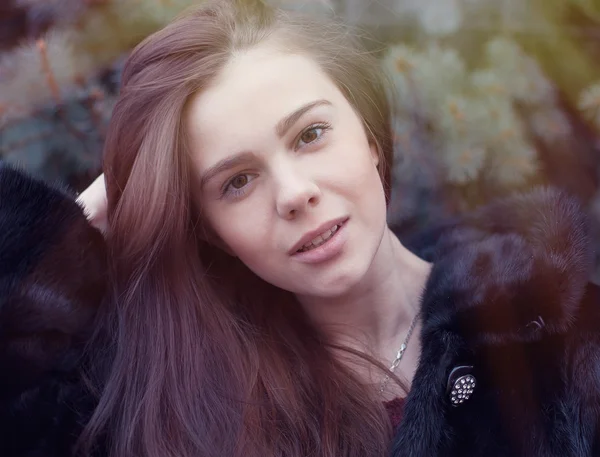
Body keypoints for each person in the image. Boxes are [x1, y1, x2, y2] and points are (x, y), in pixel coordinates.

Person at [3, 0, 600, 456]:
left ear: (371, 136)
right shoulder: (184, 403)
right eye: (236, 181)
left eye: (310, 135)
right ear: (209, 230)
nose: (294, 194)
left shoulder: (562, 327)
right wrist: (78, 231)